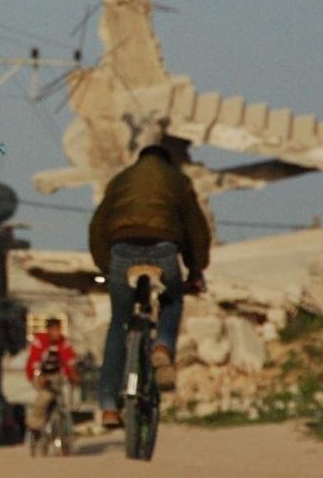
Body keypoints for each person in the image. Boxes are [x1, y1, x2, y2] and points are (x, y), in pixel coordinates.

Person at [89, 140, 210, 429]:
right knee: (172, 298)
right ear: (167, 161)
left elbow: (98, 226)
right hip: (163, 248)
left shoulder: (119, 180)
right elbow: (197, 229)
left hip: (122, 250)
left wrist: (106, 266)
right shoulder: (178, 180)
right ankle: (162, 348)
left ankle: (107, 406)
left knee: (118, 324)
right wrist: (195, 271)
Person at [24, 317, 78, 437]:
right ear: (48, 330)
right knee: (46, 395)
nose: (57, 333)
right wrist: (39, 376)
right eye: (53, 330)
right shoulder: (39, 341)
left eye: (58, 329)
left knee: (62, 398)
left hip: (57, 377)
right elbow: (34, 362)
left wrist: (73, 375)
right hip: (39, 375)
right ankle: (35, 425)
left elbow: (70, 361)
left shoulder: (64, 342)